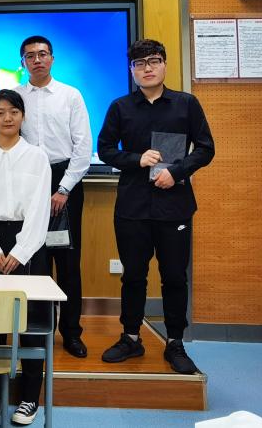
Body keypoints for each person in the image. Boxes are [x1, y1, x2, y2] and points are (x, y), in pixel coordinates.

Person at [97, 39, 215, 375]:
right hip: (132, 206)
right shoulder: (120, 107)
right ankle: (131, 337)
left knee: (174, 276)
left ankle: (175, 342)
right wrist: (137, 159)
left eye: (153, 61)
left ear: (164, 64)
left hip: (174, 205)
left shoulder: (186, 104)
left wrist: (176, 172)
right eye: (139, 63)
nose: (147, 68)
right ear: (131, 70)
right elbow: (105, 149)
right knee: (133, 275)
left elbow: (205, 148)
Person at [0, 89, 52, 425]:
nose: (7, 118)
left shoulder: (37, 156)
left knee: (30, 323)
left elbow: (40, 209)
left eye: (13, 112)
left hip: (28, 242)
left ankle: (29, 398)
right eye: (0, 112)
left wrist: (19, 252)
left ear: (23, 116)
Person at [14, 35, 92, 358]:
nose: (37, 60)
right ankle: (39, 330)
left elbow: (83, 147)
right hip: (27, 181)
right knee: (35, 261)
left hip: (65, 183)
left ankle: (71, 333)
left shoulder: (70, 95)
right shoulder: (16, 97)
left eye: (43, 54)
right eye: (30, 56)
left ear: (52, 58)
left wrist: (63, 189)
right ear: (23, 62)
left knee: (68, 262)